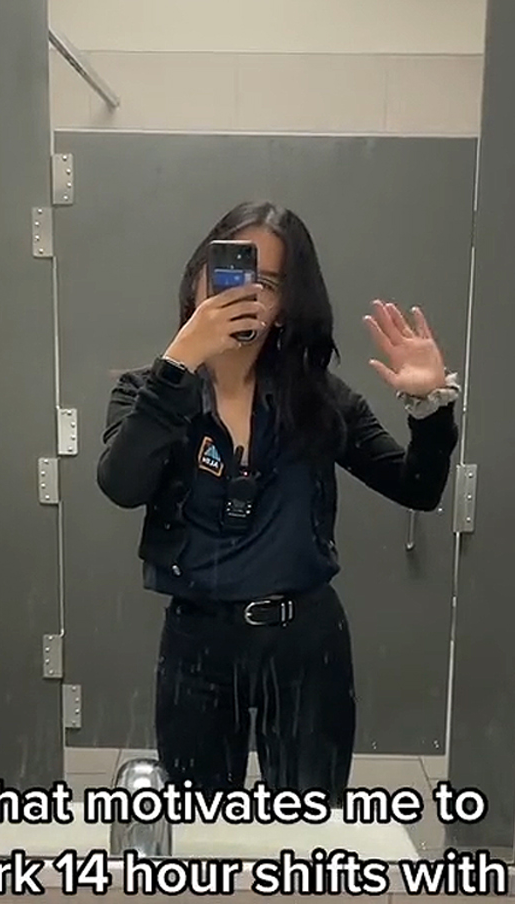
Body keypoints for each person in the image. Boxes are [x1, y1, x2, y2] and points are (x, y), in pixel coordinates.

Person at [95, 200, 460, 804]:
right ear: (196, 279)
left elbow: (417, 487)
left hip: (305, 645)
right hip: (196, 648)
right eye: (229, 270)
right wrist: (180, 362)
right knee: (196, 832)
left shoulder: (320, 399)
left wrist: (431, 407)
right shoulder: (148, 392)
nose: (243, 294)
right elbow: (121, 485)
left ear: (287, 306)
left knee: (309, 832)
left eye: (265, 283)